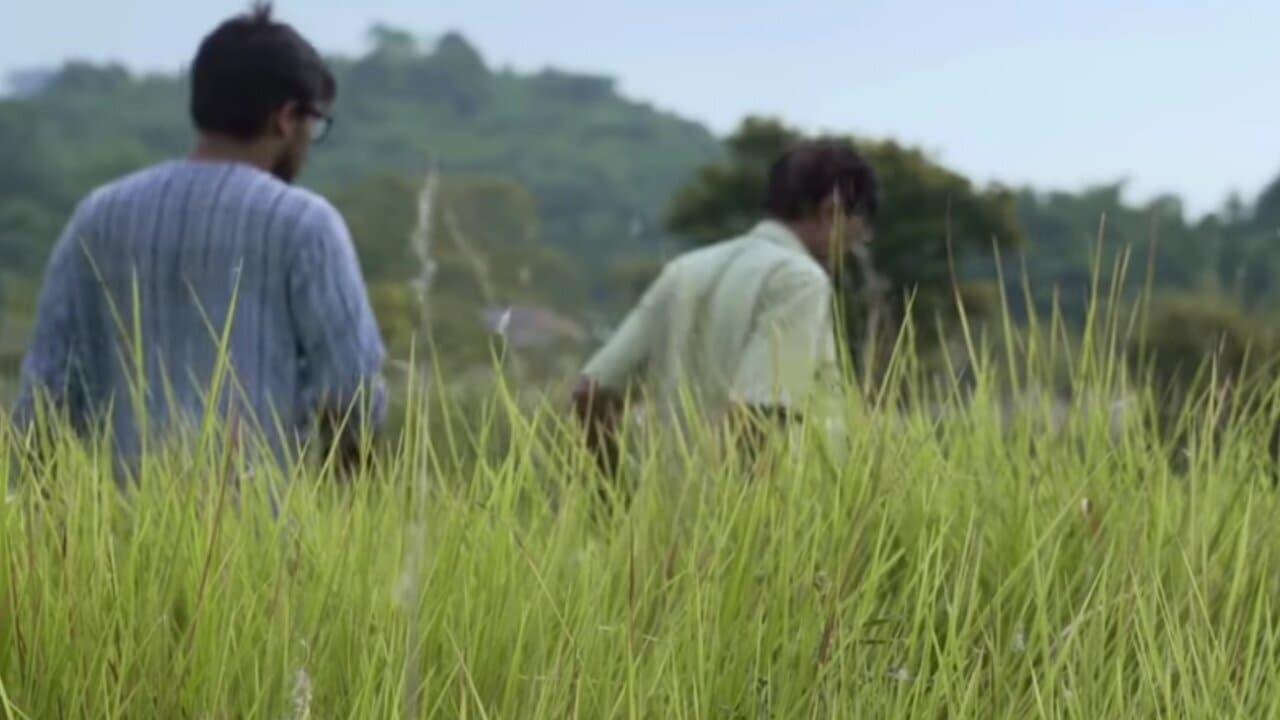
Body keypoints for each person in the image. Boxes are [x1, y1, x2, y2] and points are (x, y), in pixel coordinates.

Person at [12, 3, 386, 479]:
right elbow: (352, 394)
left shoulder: (97, 217)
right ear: (287, 119)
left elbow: (45, 397)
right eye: (314, 126)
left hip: (111, 539)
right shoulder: (305, 226)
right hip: (264, 538)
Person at [573, 140, 879, 475]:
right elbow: (758, 413)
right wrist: (732, 514)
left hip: (662, 517)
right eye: (858, 234)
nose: (852, 249)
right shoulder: (800, 281)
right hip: (760, 519)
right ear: (831, 211)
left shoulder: (683, 271)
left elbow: (591, 393)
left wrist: (612, 499)